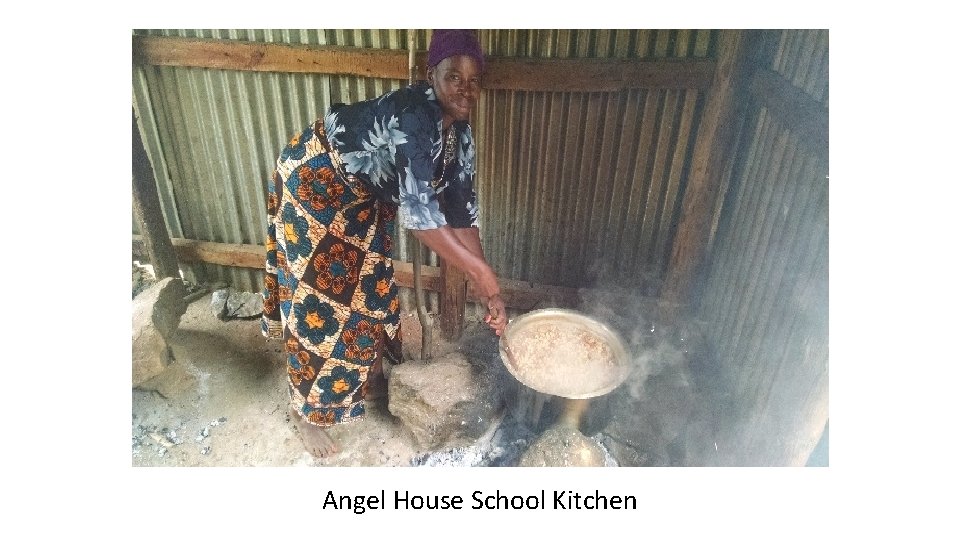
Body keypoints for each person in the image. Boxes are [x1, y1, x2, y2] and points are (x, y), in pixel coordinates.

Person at [261, 29, 507, 458]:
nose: (466, 89)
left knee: (370, 287)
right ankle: (304, 411)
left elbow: (461, 212)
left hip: (360, 196)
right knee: (319, 299)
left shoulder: (459, 132)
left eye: (474, 80)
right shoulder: (415, 117)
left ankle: (358, 380)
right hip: (315, 184)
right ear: (433, 75)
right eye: (455, 77)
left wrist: (491, 288)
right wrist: (480, 274)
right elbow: (423, 219)